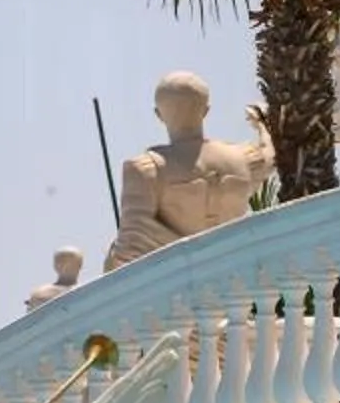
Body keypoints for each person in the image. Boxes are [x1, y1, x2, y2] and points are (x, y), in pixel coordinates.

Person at [104, 73, 272, 267]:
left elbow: (130, 246)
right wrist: (263, 126)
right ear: (206, 110)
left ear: (159, 115)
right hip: (237, 274)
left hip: (180, 285)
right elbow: (271, 156)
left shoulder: (147, 170)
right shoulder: (244, 159)